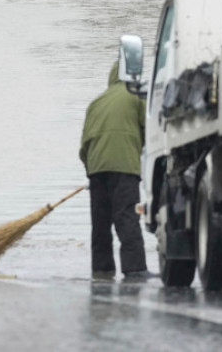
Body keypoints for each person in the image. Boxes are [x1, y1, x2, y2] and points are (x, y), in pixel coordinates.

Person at [79, 61, 149, 281]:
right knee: (127, 216)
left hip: (96, 168)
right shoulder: (137, 95)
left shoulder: (95, 103)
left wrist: (92, 171)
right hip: (124, 167)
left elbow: (84, 146)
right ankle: (135, 270)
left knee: (100, 224)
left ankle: (101, 271)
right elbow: (149, 128)